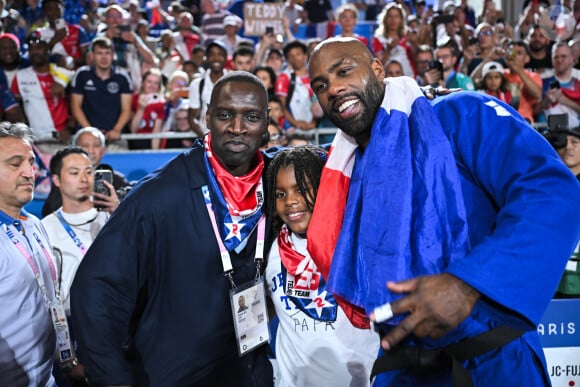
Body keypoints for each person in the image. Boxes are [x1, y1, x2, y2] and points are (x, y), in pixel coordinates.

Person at [307, 37, 580, 385]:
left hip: (492, 361)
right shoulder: (341, 171)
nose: (333, 88)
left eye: (343, 70)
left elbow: (551, 192)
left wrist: (469, 285)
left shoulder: (460, 114)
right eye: (320, 85)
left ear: (377, 69)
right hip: (402, 368)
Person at [70, 72, 274, 386]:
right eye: (224, 115)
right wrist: (112, 377)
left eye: (251, 117)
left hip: (249, 369)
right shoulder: (157, 196)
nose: (237, 128)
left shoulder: (277, 185)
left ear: (267, 122)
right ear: (206, 117)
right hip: (174, 375)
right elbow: (97, 288)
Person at [265, 145, 378, 387]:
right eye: (280, 194)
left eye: (301, 189)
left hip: (360, 380)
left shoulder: (352, 241)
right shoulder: (270, 250)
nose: (291, 201)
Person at [0, 121, 57, 386]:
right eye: (15, 164)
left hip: (47, 378)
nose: (29, 172)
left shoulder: (34, 224)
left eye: (31, 162)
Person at [41, 127, 130, 217]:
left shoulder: (117, 180)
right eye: (85, 145)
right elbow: (49, 211)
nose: (91, 151)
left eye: (96, 145)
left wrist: (118, 208)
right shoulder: (66, 180)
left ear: (103, 150)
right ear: (75, 149)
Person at [70, 36, 133, 141]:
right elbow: (76, 107)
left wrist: (116, 130)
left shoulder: (122, 77)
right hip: (87, 137)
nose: (104, 57)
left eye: (107, 53)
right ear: (92, 56)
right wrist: (90, 131)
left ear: (113, 55)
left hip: (114, 137)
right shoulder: (82, 74)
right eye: (99, 53)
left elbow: (126, 109)